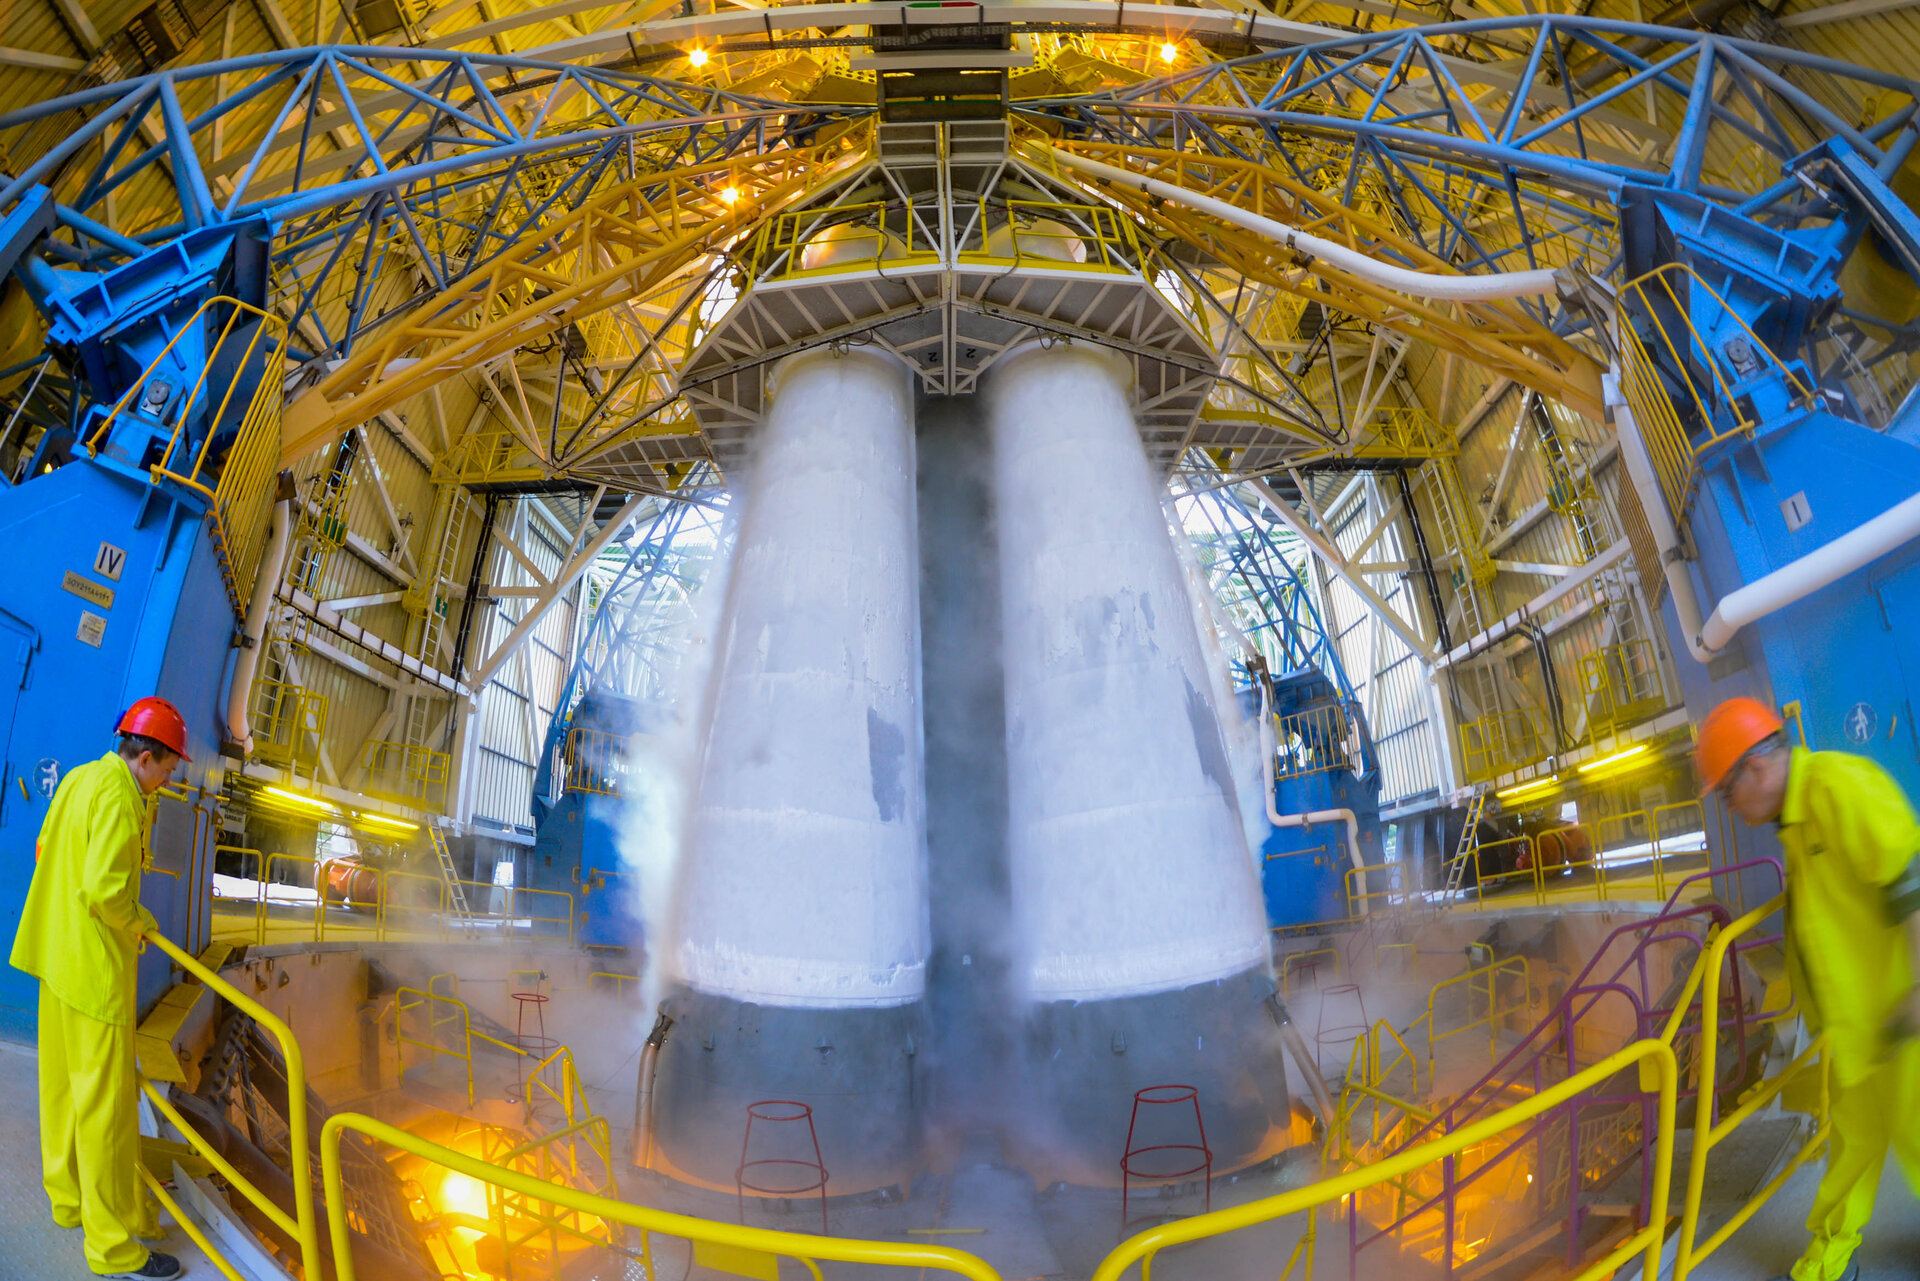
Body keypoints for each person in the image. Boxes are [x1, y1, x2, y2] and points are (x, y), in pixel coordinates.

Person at [1696, 696, 1920, 1281]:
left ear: (1757, 767)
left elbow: (1912, 882)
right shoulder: (1796, 822)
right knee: (1853, 1146)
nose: (1729, 805)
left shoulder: (1839, 788)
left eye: (1725, 791)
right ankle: (1828, 1254)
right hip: (1863, 1029)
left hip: (1905, 1017)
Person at [8, 697, 193, 1280]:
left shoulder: (81, 779)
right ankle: (114, 1246)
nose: (168, 780)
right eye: (167, 768)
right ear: (145, 757)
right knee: (107, 1115)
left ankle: (67, 1201)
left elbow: (46, 850)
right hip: (94, 977)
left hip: (56, 959)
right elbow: (105, 892)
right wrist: (141, 924)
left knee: (62, 1095)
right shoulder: (121, 796)